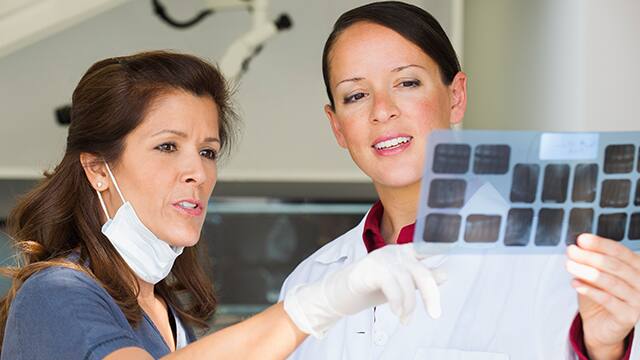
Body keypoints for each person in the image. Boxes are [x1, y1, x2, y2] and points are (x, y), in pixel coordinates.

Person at [0, 51, 444, 359]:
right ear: (98, 169)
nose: (198, 172)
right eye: (168, 146)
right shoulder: (56, 293)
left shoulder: (167, 315)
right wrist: (312, 308)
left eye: (208, 152)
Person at [279, 2, 640, 359]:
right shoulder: (308, 283)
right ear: (337, 126)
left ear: (456, 96)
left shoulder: (554, 263)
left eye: (407, 82)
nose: (381, 110)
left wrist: (605, 349)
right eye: (355, 95)